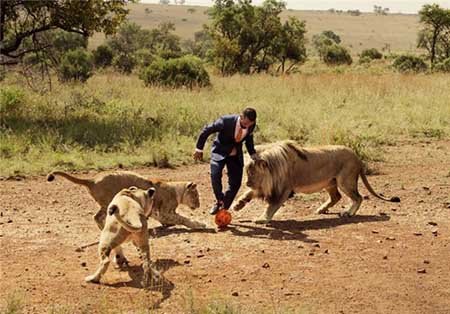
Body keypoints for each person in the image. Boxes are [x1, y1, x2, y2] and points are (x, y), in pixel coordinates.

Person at [193, 107, 258, 215]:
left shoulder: (251, 125)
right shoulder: (225, 121)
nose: (248, 125)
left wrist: (252, 153)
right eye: (246, 123)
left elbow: (248, 140)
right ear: (241, 117)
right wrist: (199, 149)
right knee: (215, 174)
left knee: (236, 183)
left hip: (235, 155)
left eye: (251, 124)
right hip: (219, 152)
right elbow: (206, 130)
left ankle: (224, 206)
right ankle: (219, 200)